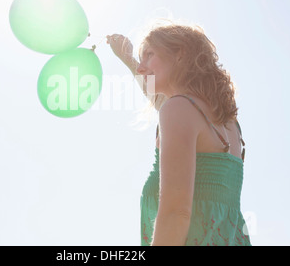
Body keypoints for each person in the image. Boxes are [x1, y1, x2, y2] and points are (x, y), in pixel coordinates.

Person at [107, 20, 251, 246]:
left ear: (180, 54)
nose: (142, 67)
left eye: (150, 55)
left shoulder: (178, 108)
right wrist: (127, 57)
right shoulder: (229, 123)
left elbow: (176, 213)